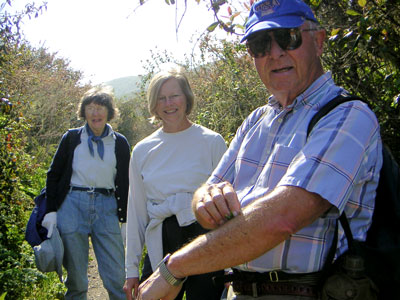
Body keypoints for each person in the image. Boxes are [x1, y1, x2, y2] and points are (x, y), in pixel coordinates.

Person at [136, 0, 383, 299]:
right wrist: (206, 200)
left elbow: (282, 218)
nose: (275, 52)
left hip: (312, 291)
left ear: (318, 42)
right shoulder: (256, 120)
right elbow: (206, 194)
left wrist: (173, 269)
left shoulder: (347, 116)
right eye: (260, 43)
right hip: (241, 289)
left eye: (288, 37)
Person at [123, 66, 227, 300]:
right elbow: (137, 213)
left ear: (186, 98)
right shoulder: (142, 150)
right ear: (154, 104)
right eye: (162, 98)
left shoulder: (212, 142)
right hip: (160, 238)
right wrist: (131, 270)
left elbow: (228, 206)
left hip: (206, 239)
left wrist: (233, 265)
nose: (168, 104)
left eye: (174, 96)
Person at [42, 86, 130, 300]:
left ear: (109, 112)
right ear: (84, 112)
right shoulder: (72, 138)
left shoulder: (119, 142)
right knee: (77, 280)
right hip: (72, 205)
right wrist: (51, 210)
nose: (95, 113)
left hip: (107, 206)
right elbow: (53, 175)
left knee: (117, 276)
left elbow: (127, 182)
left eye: (100, 108)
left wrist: (126, 219)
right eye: (90, 108)